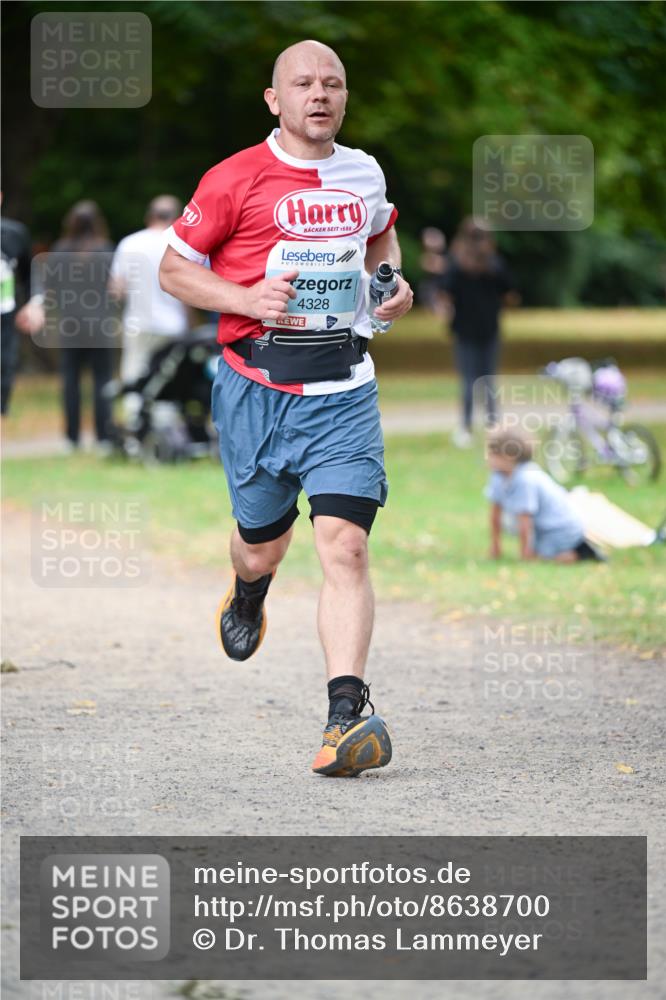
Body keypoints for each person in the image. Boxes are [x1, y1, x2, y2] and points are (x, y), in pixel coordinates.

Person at [160, 39, 414, 777]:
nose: (320, 94)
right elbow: (176, 270)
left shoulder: (363, 171)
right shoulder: (234, 177)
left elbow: (379, 238)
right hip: (255, 391)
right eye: (303, 83)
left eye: (332, 83)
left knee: (345, 544)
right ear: (275, 99)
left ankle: (346, 716)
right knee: (261, 542)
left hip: (343, 389)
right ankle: (249, 591)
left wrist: (390, 286)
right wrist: (242, 298)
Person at [41, 201, 117, 450]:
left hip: (70, 325)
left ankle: (71, 439)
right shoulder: (106, 251)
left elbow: (48, 289)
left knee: (70, 382)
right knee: (102, 381)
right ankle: (103, 437)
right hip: (100, 326)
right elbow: (116, 289)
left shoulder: (60, 251)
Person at [438, 218, 518, 448]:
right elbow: (511, 295)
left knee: (469, 381)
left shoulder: (458, 264)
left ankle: (466, 428)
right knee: (487, 380)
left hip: (466, 329)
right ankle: (493, 427)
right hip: (487, 328)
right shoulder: (494, 264)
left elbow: (444, 294)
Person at [109, 196, 189, 405]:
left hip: (138, 323)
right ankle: (165, 425)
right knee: (168, 376)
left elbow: (117, 289)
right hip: (174, 325)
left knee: (134, 373)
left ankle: (136, 424)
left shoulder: (129, 243)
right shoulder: (181, 245)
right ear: (177, 217)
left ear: (149, 216)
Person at [486, 429, 604, 563]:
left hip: (561, 529)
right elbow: (495, 513)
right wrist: (495, 546)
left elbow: (525, 521)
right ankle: (551, 550)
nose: (488, 457)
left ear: (510, 456)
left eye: (493, 453)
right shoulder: (498, 475)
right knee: (509, 522)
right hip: (542, 528)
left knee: (541, 559)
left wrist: (525, 556)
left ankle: (581, 553)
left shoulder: (526, 479)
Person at [1, 198, 32, 415]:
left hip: (5, 310)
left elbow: (28, 274)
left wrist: (32, 303)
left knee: (5, 360)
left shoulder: (15, 233)